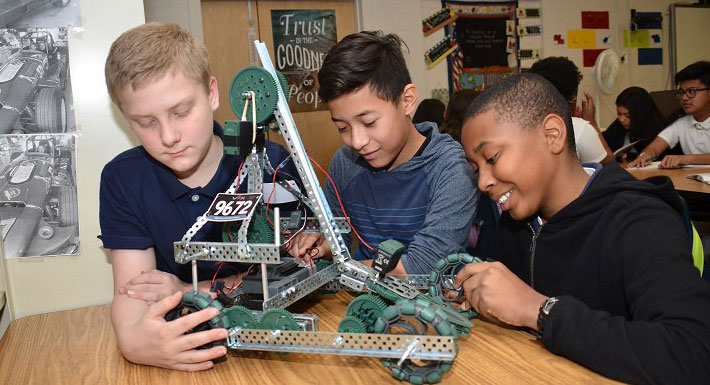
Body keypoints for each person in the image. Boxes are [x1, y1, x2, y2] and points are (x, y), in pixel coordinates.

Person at [455, 73, 710, 384]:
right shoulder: (514, 225)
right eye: (476, 167)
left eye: (492, 158)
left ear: (552, 135)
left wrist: (539, 310)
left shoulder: (639, 219)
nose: (483, 182)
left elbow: (693, 353)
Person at [99, 22, 297, 371]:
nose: (169, 136)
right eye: (146, 122)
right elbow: (132, 294)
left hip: (270, 349)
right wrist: (132, 344)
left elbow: (292, 272)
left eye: (181, 111)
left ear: (212, 94)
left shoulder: (272, 164)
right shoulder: (122, 179)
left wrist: (189, 286)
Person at [286, 31, 478, 274]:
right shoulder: (345, 164)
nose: (357, 141)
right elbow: (338, 239)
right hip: (363, 302)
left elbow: (421, 269)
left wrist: (341, 269)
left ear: (407, 100)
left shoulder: (451, 168)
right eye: (342, 127)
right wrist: (324, 245)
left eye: (368, 122)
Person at [530, 57, 614, 163]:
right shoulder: (578, 128)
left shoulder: (520, 125)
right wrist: (592, 123)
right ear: (572, 97)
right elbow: (609, 163)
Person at [629, 61, 710, 168]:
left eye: (692, 91)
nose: (684, 98)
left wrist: (687, 159)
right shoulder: (681, 121)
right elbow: (655, 147)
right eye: (681, 92)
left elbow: (687, 159)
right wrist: (645, 156)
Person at [603, 86, 666, 161]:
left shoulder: (661, 131)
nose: (622, 120)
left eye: (628, 116)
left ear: (640, 114)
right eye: (619, 114)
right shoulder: (617, 126)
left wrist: (630, 156)